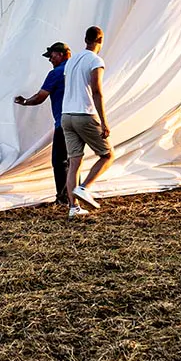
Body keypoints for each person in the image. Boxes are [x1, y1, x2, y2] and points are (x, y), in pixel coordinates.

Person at [62, 26, 114, 218]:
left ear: (85, 39)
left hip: (66, 115)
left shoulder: (71, 60)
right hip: (84, 114)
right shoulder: (95, 60)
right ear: (100, 40)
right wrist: (104, 122)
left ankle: (73, 208)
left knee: (74, 162)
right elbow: (97, 91)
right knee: (107, 155)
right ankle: (84, 188)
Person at [14, 42, 72, 204]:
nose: (50, 60)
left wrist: (24, 102)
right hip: (81, 120)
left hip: (64, 122)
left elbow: (40, 97)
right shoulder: (77, 70)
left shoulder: (56, 73)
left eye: (52, 56)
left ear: (61, 54)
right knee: (74, 159)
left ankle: (63, 198)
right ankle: (75, 194)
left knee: (59, 161)